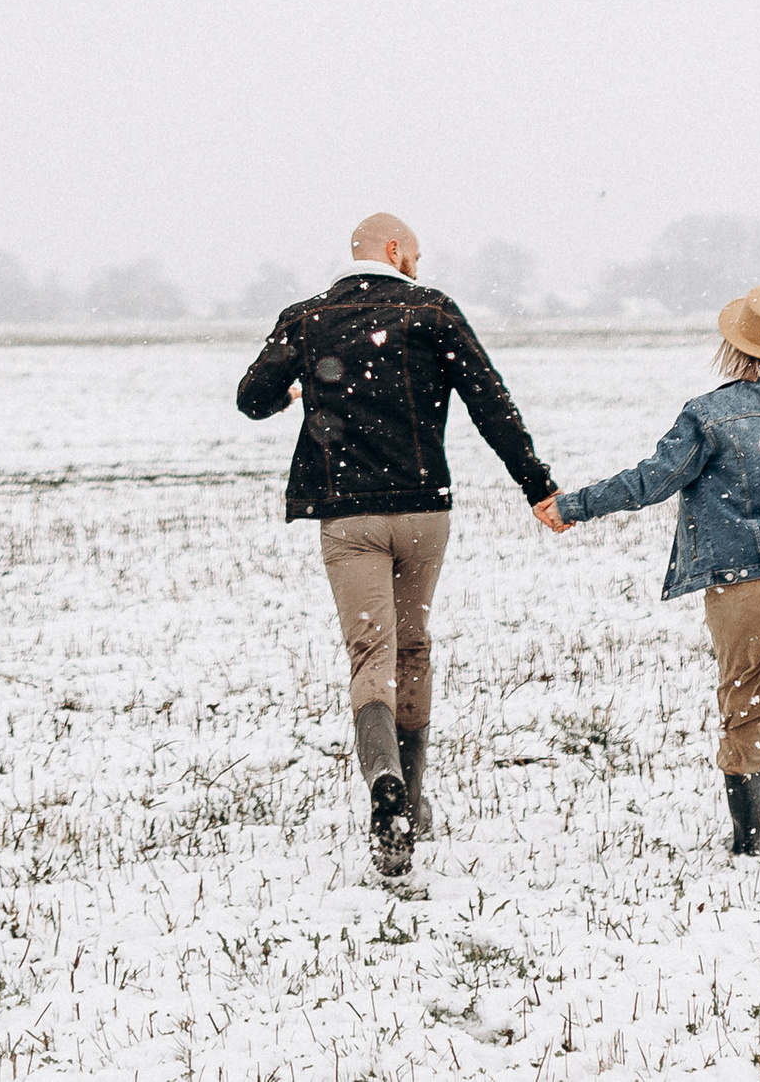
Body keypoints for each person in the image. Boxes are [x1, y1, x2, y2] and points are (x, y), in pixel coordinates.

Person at [237, 210, 559, 879]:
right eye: (414, 253)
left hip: (348, 515)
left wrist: (291, 392)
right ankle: (409, 798)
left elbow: (251, 397)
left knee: (370, 654)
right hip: (421, 510)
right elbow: (490, 403)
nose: (417, 264)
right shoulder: (432, 311)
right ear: (394, 249)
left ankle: (382, 779)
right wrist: (537, 484)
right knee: (412, 647)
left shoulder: (307, 316)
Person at [536, 282, 760, 855]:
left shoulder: (706, 416)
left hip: (736, 580)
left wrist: (573, 506)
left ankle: (746, 841)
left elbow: (651, 481)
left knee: (741, 698)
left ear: (734, 348)